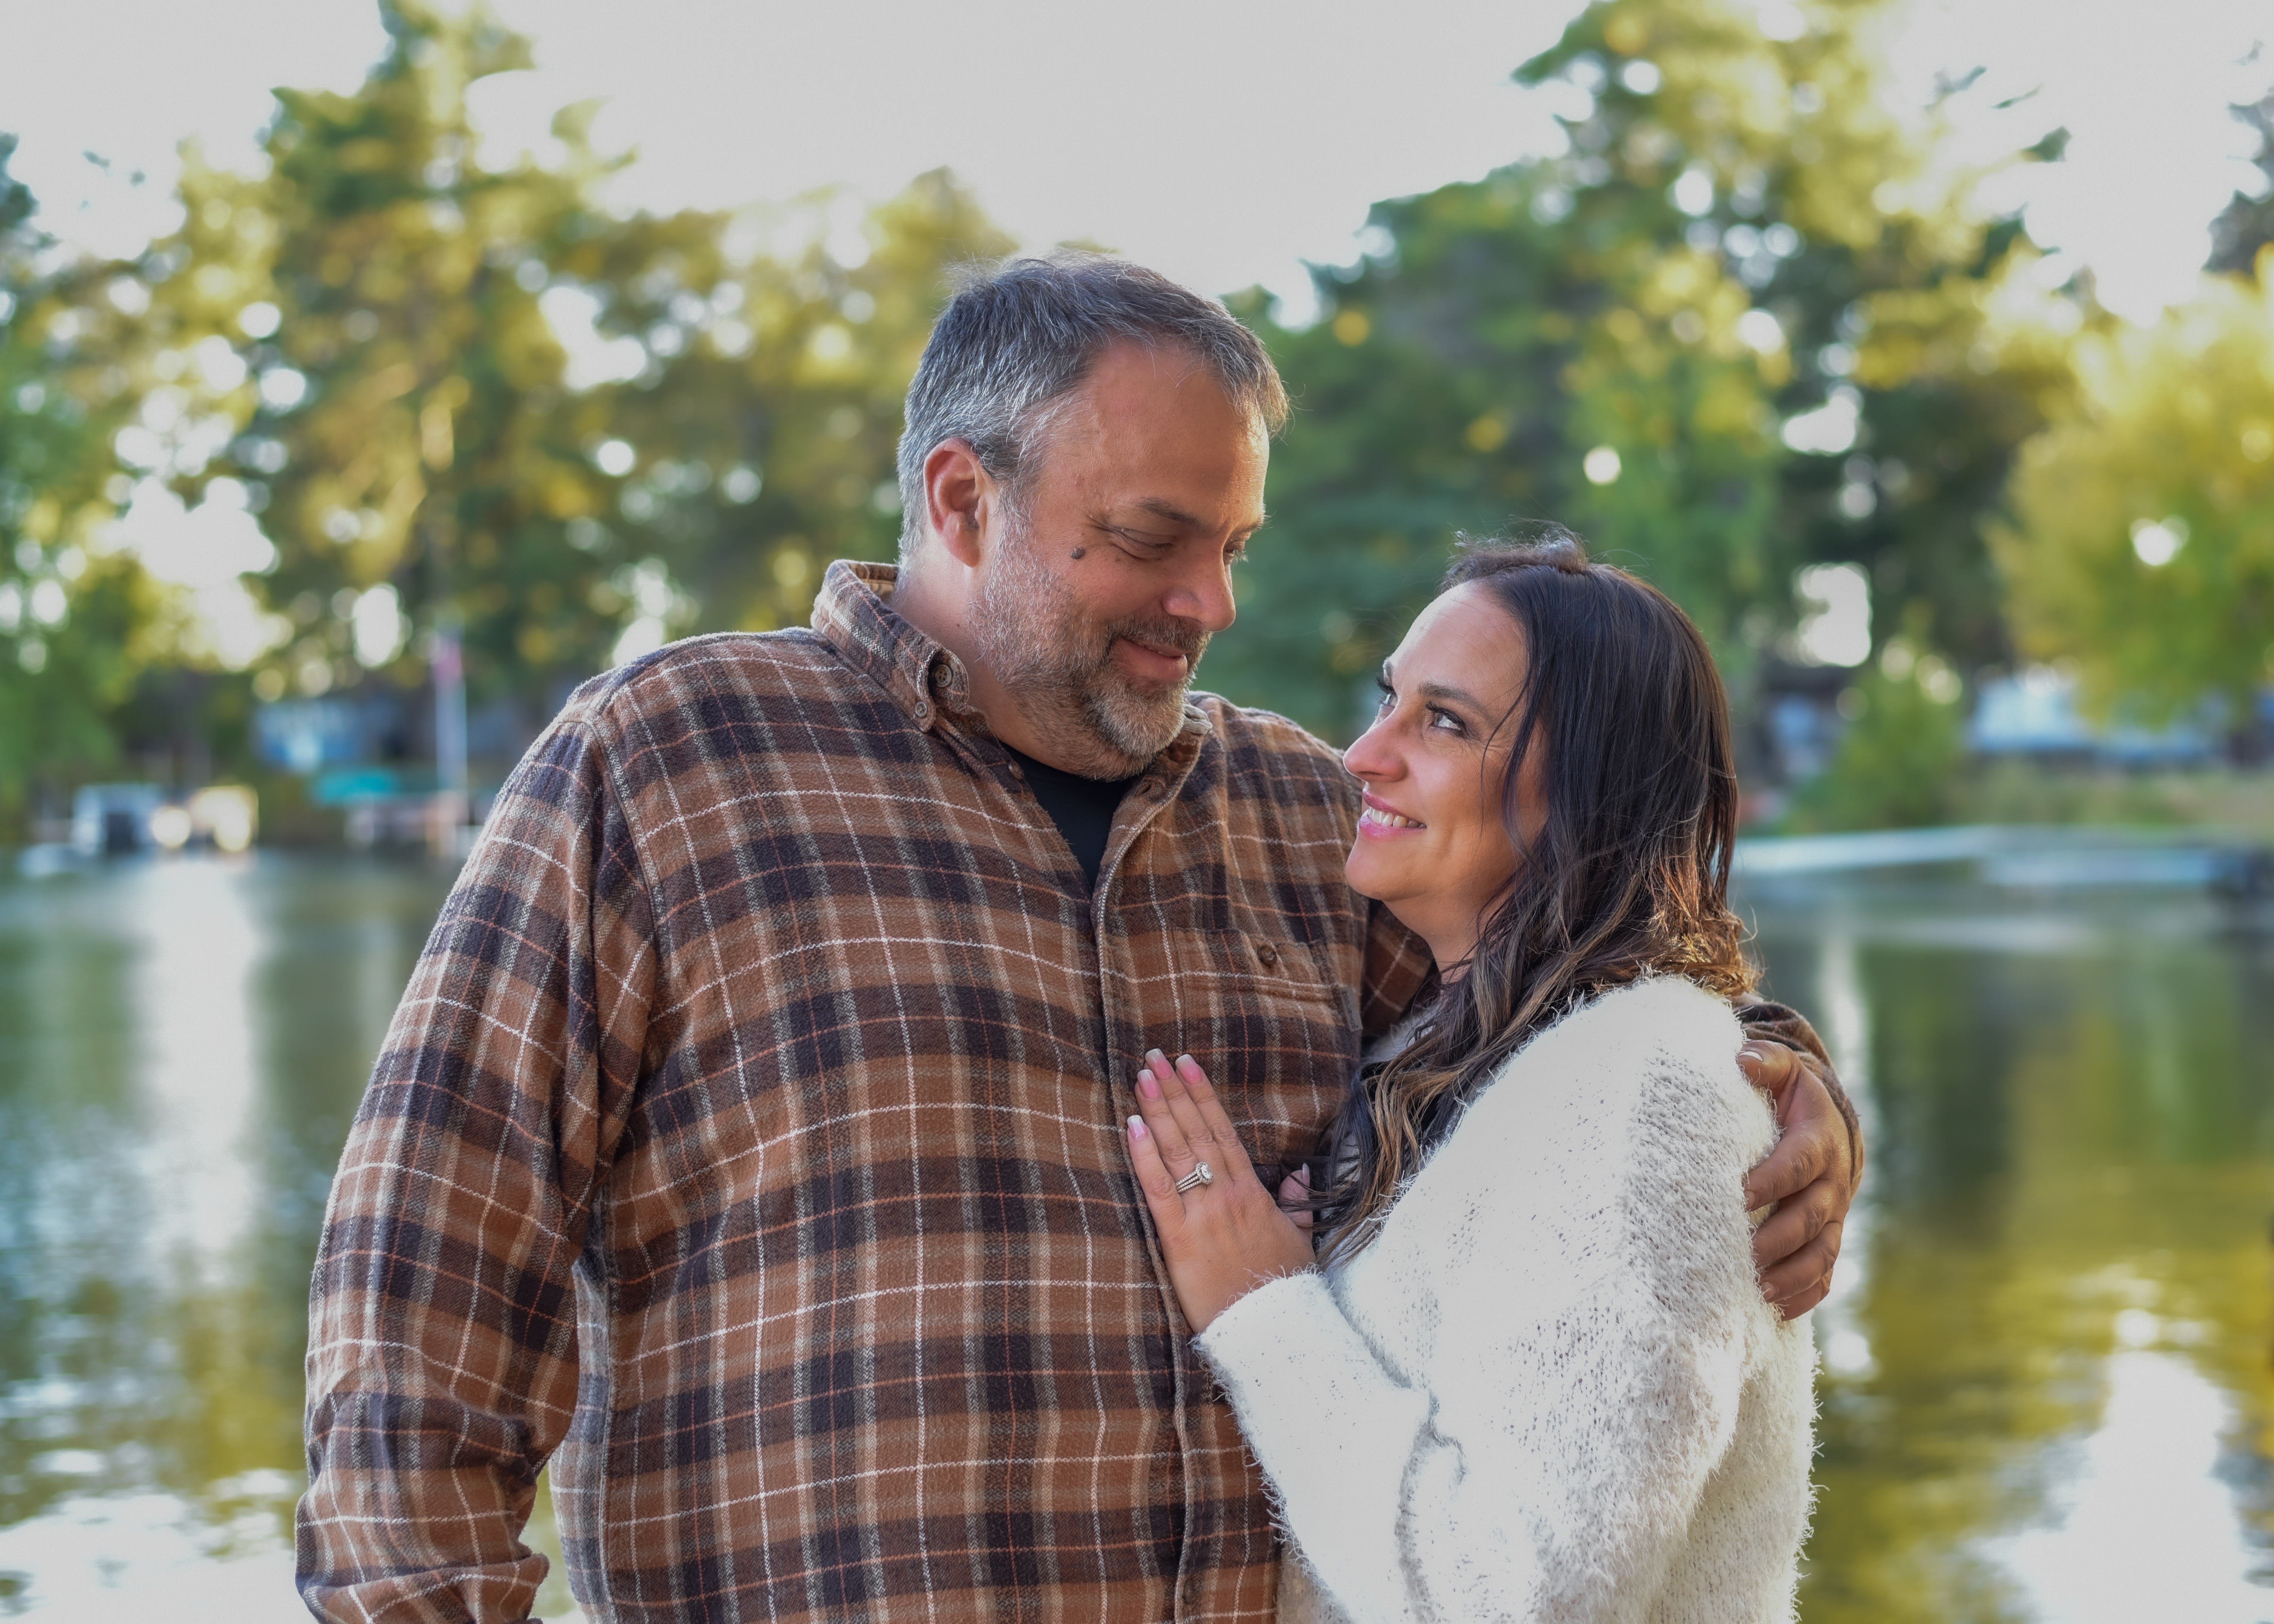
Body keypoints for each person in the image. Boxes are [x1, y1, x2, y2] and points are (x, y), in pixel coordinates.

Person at [297, 253, 1859, 1622]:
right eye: (1152, 536)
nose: (1209, 603)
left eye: (1233, 544)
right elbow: (419, 1300)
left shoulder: (1301, 815)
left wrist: (1781, 1086)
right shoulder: (669, 762)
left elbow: (1566, 1009)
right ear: (964, 500)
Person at [1123, 534, 1816, 1622]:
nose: (1362, 752)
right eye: (1390, 698)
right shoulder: (1470, 1057)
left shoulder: (1640, 1089)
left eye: (1443, 722)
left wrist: (1265, 1311)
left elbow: (1521, 1596)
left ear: (1590, 791)